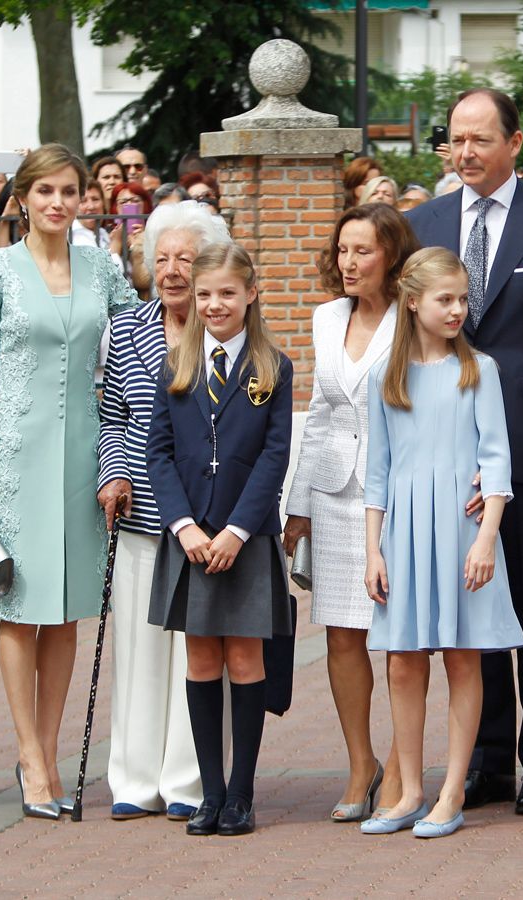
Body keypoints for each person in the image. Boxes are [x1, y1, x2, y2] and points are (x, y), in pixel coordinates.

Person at [405, 88, 523, 816]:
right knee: (468, 609)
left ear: (514, 142)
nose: (467, 152)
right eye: (456, 140)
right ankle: (485, 763)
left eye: (481, 139)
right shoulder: (423, 225)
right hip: (446, 451)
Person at [0, 143, 138, 821]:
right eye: (45, 192)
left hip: (85, 450)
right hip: (13, 452)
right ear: (23, 199)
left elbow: (137, 338)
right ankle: (29, 755)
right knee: (19, 603)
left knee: (66, 610)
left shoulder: (102, 267)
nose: (58, 203)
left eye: (69, 191)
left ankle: (53, 752)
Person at [360, 247, 523, 839]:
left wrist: (485, 540)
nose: (458, 309)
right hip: (403, 532)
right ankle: (407, 787)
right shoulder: (389, 379)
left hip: (460, 531)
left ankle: (453, 790)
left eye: (462, 298)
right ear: (412, 302)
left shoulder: (479, 369)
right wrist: (373, 549)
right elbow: (375, 473)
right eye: (445, 299)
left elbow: (497, 460)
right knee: (403, 662)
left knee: (462, 655)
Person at [146, 242, 294, 837]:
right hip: (190, 540)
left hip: (245, 538)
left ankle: (242, 792)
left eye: (227, 293)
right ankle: (209, 792)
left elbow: (274, 454)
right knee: (202, 658)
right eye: (205, 294)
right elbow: (156, 454)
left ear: (250, 295)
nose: (214, 304)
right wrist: (184, 526)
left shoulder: (273, 367)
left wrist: (235, 529)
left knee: (244, 657)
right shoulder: (174, 364)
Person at [285, 204, 419, 822]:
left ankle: (399, 764)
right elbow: (319, 413)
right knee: (343, 633)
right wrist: (298, 504)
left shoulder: (413, 319)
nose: (348, 263)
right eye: (342, 250)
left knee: (398, 636)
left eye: (362, 251)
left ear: (390, 255)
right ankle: (360, 762)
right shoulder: (324, 317)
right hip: (336, 495)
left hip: (397, 495)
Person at [99, 201, 231, 822]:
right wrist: (114, 474)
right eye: (162, 258)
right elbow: (115, 418)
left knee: (196, 651)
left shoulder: (221, 328)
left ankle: (188, 779)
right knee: (139, 649)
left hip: (204, 522)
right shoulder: (126, 327)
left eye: (185, 257)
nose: (173, 270)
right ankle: (133, 777)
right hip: (141, 519)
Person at [71, 182, 109, 250]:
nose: (91, 207)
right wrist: (116, 246)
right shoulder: (71, 234)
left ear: (104, 204)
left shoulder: (103, 233)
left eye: (95, 199)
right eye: (83, 201)